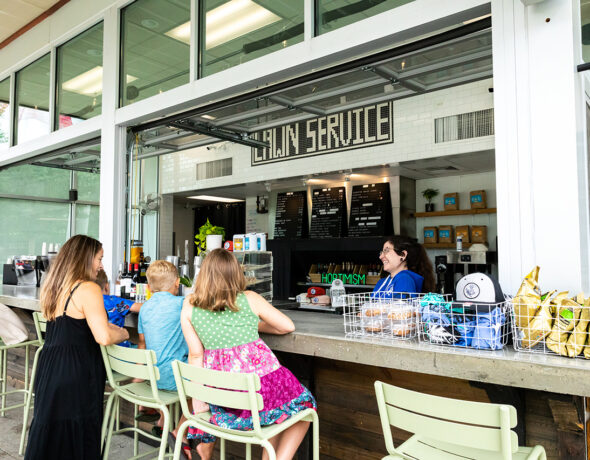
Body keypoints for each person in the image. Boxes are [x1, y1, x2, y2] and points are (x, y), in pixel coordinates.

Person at [181, 248, 317, 460]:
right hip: (256, 393)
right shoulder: (249, 298)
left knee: (275, 409)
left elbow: (196, 356)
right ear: (236, 273)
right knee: (303, 406)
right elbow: (286, 326)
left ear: (204, 274)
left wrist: (199, 399)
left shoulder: (190, 305)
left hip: (223, 398)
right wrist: (252, 323)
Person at [24, 235, 129, 460]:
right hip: (77, 370)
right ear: (85, 258)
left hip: (51, 366)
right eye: (99, 259)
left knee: (52, 431)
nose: (101, 265)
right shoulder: (88, 288)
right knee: (78, 434)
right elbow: (103, 336)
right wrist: (123, 332)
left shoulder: (55, 286)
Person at [137, 260, 191, 458]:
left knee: (165, 361)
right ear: (177, 283)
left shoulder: (144, 308)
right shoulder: (182, 303)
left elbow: (143, 344)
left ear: (149, 287)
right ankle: (180, 430)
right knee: (201, 388)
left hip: (153, 378)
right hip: (175, 379)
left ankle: (162, 419)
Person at [95, 269, 142, 347]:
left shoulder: (90, 302)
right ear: (107, 286)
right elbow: (142, 308)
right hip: (120, 349)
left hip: (102, 351)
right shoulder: (114, 301)